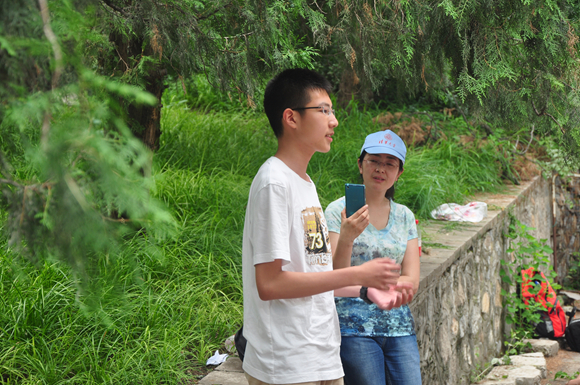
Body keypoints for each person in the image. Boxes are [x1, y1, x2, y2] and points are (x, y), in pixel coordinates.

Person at [241, 69, 405, 385]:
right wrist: (359, 274)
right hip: (286, 363)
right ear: (291, 118)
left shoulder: (305, 183)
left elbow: (320, 275)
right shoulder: (274, 183)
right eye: (324, 110)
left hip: (320, 354)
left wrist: (345, 239)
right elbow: (270, 283)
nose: (334, 121)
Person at [325, 130, 422, 385]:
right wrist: (346, 236)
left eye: (390, 164)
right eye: (374, 160)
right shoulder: (338, 211)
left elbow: (412, 278)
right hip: (352, 326)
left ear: (398, 173)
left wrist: (395, 290)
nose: (381, 169)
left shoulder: (405, 217)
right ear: (360, 164)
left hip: (399, 326)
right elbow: (333, 278)